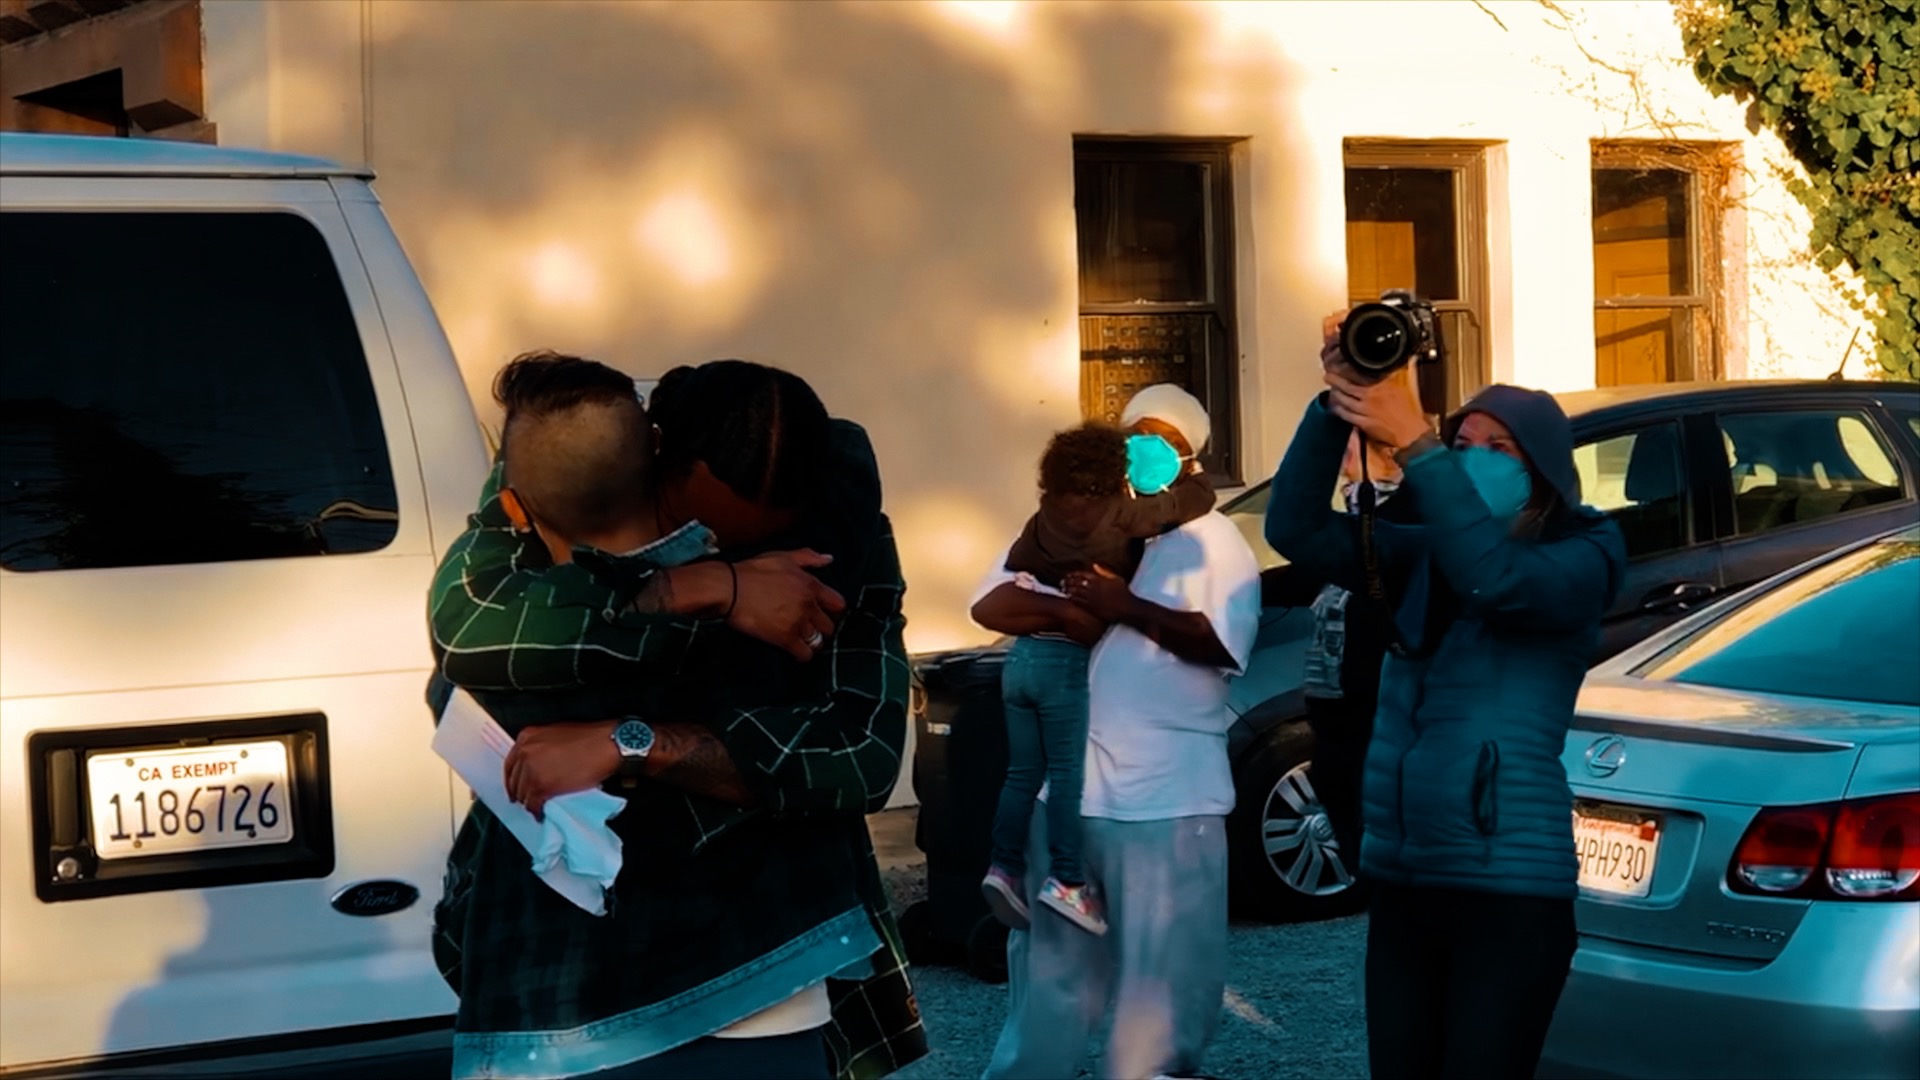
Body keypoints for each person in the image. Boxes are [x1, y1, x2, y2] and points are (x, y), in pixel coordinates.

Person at [428, 356, 925, 1080]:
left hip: (733, 975)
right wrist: (703, 587)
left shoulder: (832, 550)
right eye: (693, 528)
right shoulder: (572, 478)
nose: (706, 544)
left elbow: (860, 756)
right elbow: (465, 637)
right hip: (589, 985)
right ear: (656, 450)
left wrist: (633, 742)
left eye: (736, 543)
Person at [1264, 313, 1627, 1079]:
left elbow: (1494, 580)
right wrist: (1338, 405)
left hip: (1508, 890)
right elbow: (1295, 528)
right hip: (1403, 877)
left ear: (1544, 470)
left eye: (1499, 448)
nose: (1472, 457)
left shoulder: (1583, 554)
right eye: (1463, 443)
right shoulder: (1425, 552)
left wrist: (1420, 446)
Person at [974, 384, 1261, 1080]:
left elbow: (1221, 643)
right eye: (1136, 435)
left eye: (1165, 440)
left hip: (1166, 804)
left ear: (1192, 457)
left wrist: (1122, 605)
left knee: (1161, 992)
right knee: (1051, 984)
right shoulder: (1078, 523)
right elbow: (993, 597)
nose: (1145, 450)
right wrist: (1072, 616)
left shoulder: (1213, 541)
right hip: (1069, 799)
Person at [983, 416, 1214, 935]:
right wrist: (1194, 472)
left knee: (1022, 773)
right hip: (1064, 661)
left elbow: (1018, 559)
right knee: (1067, 775)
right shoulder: (1119, 514)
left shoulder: (1043, 516)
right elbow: (1188, 504)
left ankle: (1003, 867)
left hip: (1022, 659)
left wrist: (1053, 575)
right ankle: (1068, 882)